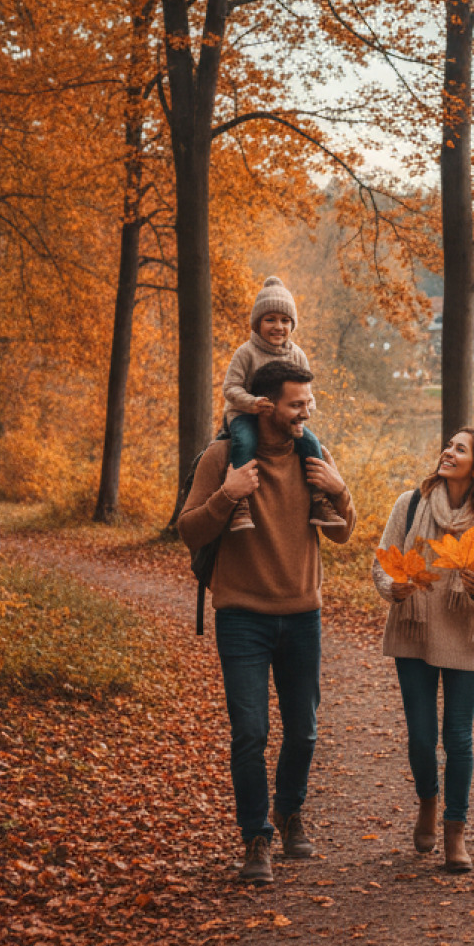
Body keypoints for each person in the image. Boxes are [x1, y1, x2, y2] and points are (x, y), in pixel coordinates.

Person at [178, 359, 356, 884]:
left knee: (303, 733)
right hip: (242, 617)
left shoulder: (313, 455)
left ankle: (289, 811)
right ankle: (256, 839)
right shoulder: (222, 457)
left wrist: (341, 489)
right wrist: (227, 494)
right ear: (268, 406)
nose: (306, 413)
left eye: (308, 403)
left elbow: (343, 533)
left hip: (303, 615)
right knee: (250, 734)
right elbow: (189, 530)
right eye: (296, 404)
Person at [371, 428, 474, 873]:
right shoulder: (409, 504)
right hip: (413, 630)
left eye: (459, 449)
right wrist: (392, 588)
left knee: (457, 737)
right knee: (420, 736)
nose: (447, 453)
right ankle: (428, 803)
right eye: (448, 446)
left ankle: (456, 830)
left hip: (466, 636)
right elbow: (383, 562)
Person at [221, 276, 325, 533]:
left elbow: (308, 393)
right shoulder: (246, 352)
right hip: (246, 414)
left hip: (286, 419)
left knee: (311, 444)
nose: (278, 326)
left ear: (292, 324)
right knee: (245, 442)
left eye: (285, 320)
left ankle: (320, 499)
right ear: (257, 323)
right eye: (270, 319)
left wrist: (305, 411)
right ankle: (240, 502)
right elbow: (230, 388)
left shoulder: (297, 355)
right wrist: (253, 403)